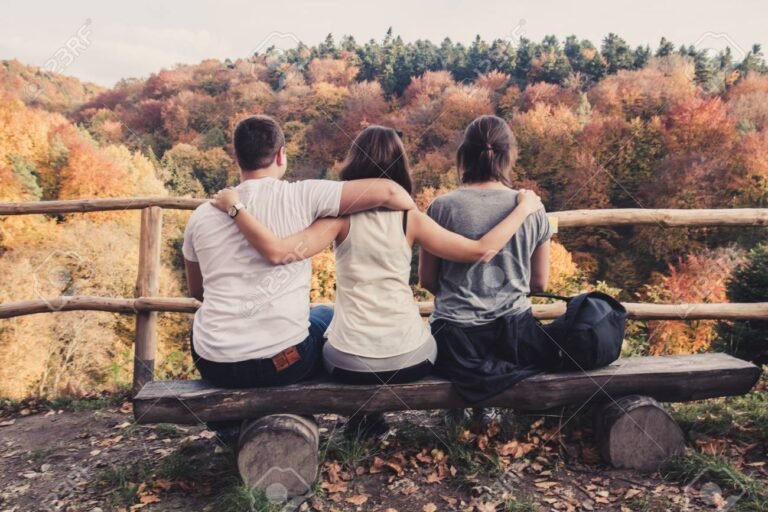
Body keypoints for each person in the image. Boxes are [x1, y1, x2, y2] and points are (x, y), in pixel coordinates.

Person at [209, 125, 544, 389]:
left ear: (354, 162)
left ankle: (364, 421)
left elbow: (281, 252)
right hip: (411, 358)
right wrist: (524, 209)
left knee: (322, 316)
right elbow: (481, 251)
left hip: (348, 364)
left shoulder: (336, 220)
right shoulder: (410, 217)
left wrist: (237, 209)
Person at [182, 115, 418, 392]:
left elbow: (198, 291)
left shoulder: (201, 216)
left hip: (214, 363)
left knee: (211, 332)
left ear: (237, 158)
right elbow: (391, 191)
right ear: (281, 155)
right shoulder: (304, 195)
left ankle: (226, 422)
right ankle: (365, 416)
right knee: (328, 317)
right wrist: (410, 219)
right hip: (283, 364)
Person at [419, 115, 559, 407]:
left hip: (456, 341)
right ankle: (491, 408)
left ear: (464, 156)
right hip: (515, 337)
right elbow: (539, 283)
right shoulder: (533, 209)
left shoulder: (441, 208)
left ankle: (459, 411)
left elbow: (428, 281)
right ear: (509, 156)